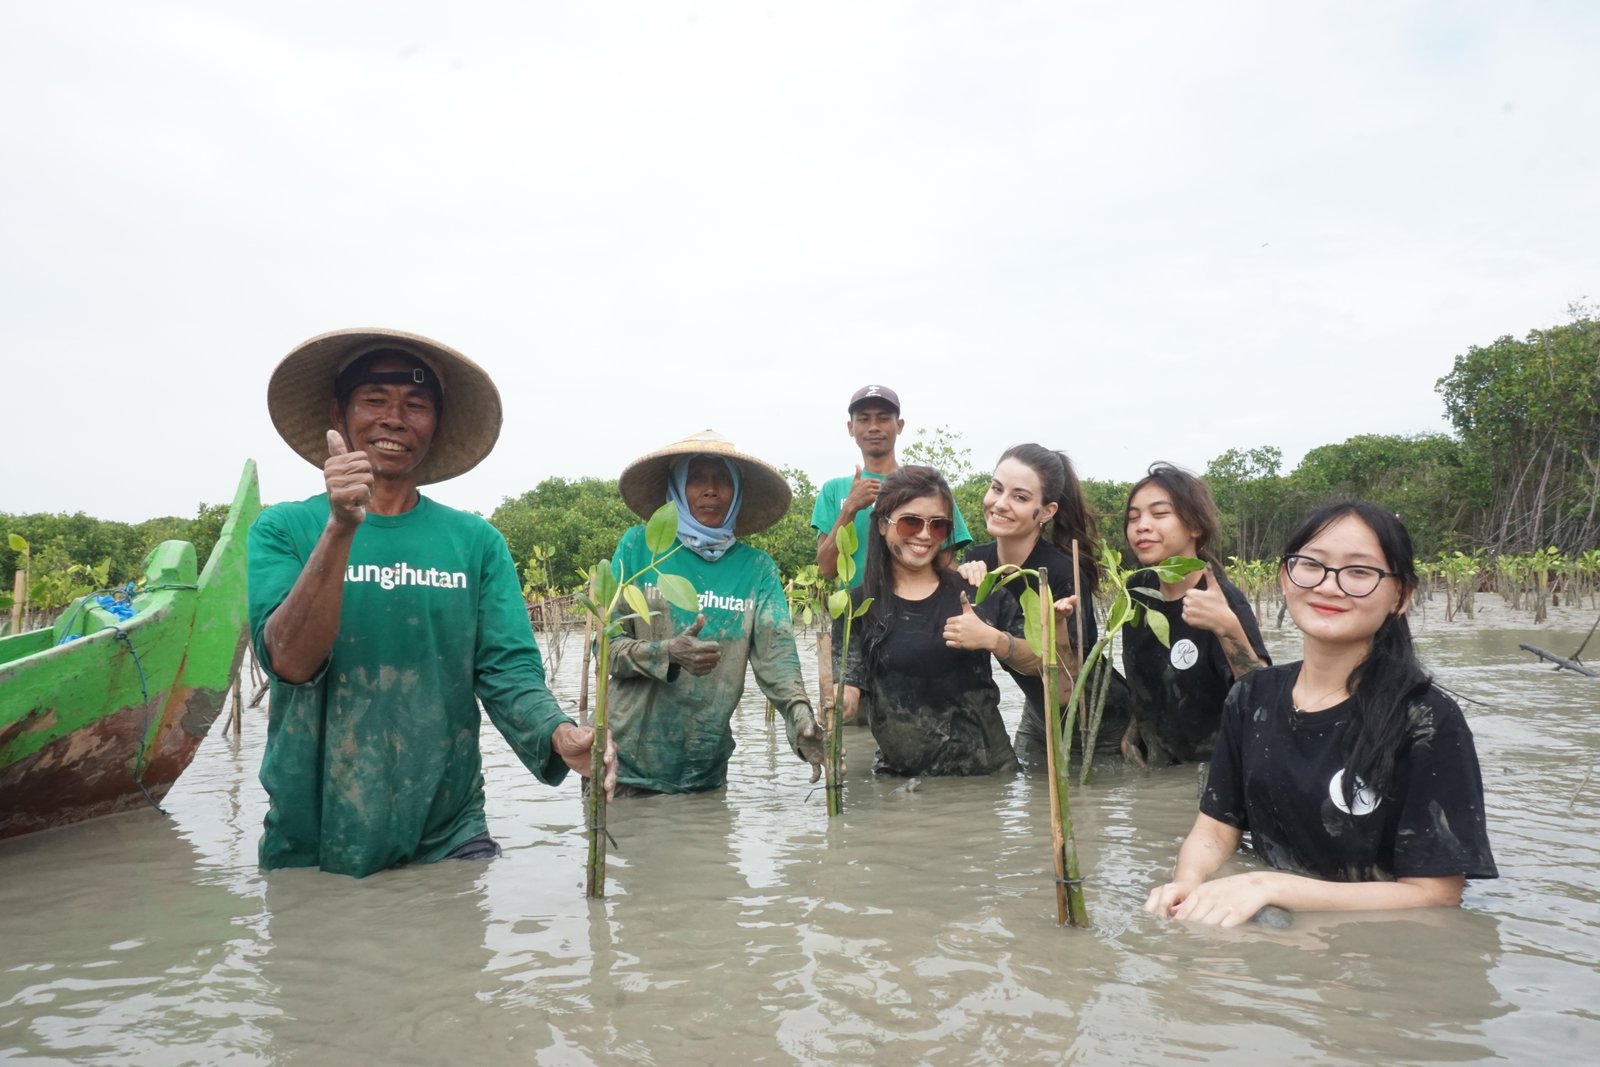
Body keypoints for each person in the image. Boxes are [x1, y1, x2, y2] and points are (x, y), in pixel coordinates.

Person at [249, 327, 615, 878]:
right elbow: (289, 662)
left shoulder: (475, 542)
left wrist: (561, 734)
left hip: (451, 835)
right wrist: (340, 529)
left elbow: (508, 671)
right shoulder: (285, 530)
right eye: (374, 400)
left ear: (435, 424)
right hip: (315, 842)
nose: (394, 418)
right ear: (338, 413)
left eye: (415, 404)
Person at [1144, 502, 1498, 926]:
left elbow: (1436, 896)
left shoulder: (1426, 720)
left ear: (1400, 596)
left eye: (1359, 572)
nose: (1329, 586)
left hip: (1364, 951)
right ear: (1285, 577)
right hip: (1277, 921)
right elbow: (1217, 829)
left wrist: (1271, 887)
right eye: (1311, 565)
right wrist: (1189, 883)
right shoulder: (1252, 696)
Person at [606, 430, 826, 795]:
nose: (711, 490)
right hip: (624, 770)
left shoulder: (757, 569)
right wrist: (666, 652)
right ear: (676, 488)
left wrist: (801, 716)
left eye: (722, 480)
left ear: (737, 492)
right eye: (696, 479)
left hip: (705, 773)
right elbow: (605, 647)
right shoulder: (637, 548)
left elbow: (777, 656)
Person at [837, 465, 1049, 776]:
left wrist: (994, 639)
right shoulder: (858, 605)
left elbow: (1039, 661)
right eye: (911, 522)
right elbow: (848, 689)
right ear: (883, 524)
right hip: (900, 781)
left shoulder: (977, 590)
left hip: (987, 778)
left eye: (937, 526)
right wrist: (834, 709)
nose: (924, 534)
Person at [957, 444, 1126, 761]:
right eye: (997, 488)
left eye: (1019, 497)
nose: (1000, 504)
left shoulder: (1062, 573)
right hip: (1038, 717)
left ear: (1046, 512)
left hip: (1096, 724)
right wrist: (958, 581)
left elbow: (1066, 682)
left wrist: (998, 639)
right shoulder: (977, 559)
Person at [1120, 462, 1270, 765]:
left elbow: (1264, 700)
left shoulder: (1223, 599)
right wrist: (1134, 731)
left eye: (1159, 514)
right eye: (1133, 517)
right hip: (1155, 770)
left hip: (1211, 771)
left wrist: (1227, 628)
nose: (1142, 526)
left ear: (1195, 526)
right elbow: (1148, 682)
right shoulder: (1137, 590)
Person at [811, 384, 973, 587]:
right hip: (855, 615)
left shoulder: (925, 485)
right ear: (850, 428)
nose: (873, 427)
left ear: (899, 425)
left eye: (884, 418)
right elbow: (827, 569)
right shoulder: (833, 490)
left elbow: (945, 562)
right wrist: (850, 508)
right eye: (863, 419)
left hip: (918, 610)